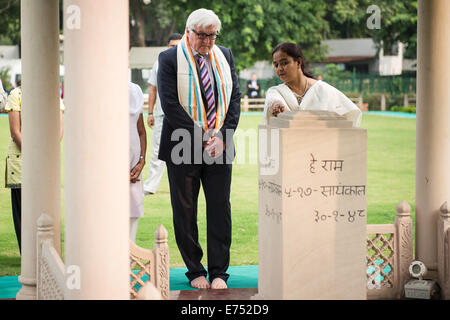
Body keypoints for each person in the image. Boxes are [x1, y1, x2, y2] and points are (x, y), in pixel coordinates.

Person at [157, 8, 241, 289]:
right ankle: (195, 271)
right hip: (182, 144)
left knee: (220, 209)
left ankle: (219, 272)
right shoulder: (168, 58)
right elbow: (170, 105)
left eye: (212, 36)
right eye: (202, 35)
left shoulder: (225, 55)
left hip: (220, 144)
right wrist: (203, 137)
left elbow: (235, 99)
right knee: (185, 210)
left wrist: (223, 137)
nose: (207, 41)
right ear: (188, 31)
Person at [4, 81, 65, 254]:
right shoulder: (16, 94)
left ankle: (45, 253)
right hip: (21, 161)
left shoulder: (52, 94)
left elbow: (60, 126)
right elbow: (15, 132)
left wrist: (47, 151)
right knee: (23, 212)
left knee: (44, 209)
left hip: (45, 160)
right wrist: (36, 155)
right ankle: (28, 256)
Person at [263, 42, 362, 127]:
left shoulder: (322, 89)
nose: (279, 69)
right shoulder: (276, 92)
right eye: (276, 65)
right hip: (288, 146)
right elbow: (273, 99)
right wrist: (275, 104)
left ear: (298, 62)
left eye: (284, 63)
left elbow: (350, 112)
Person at [143, 33, 182, 195]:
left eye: (177, 46)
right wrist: (150, 112)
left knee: (182, 151)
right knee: (158, 151)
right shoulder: (159, 62)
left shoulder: (187, 63)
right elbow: (153, 89)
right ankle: (151, 186)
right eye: (171, 46)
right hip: (161, 114)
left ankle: (182, 186)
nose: (174, 48)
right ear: (167, 46)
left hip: (182, 115)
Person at [128, 81, 147, 242]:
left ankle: (128, 261)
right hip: (108, 171)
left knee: (132, 214)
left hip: (133, 170)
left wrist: (141, 161)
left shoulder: (134, 90)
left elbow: (141, 131)